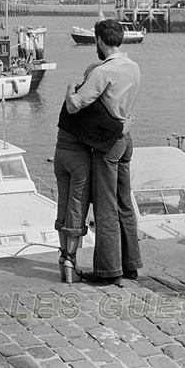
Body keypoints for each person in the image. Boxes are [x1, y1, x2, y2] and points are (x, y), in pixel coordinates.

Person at [65, 19, 143, 285]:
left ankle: (108, 271)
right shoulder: (133, 67)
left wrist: (69, 91)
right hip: (126, 136)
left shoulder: (102, 72)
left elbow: (76, 105)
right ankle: (131, 263)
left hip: (108, 144)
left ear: (99, 40)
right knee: (124, 203)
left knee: (105, 206)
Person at [54, 62, 131, 283]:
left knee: (62, 204)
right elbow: (114, 131)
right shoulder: (91, 105)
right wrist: (128, 124)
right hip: (79, 160)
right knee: (77, 207)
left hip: (60, 155)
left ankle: (62, 257)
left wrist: (70, 88)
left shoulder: (72, 97)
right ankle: (70, 260)